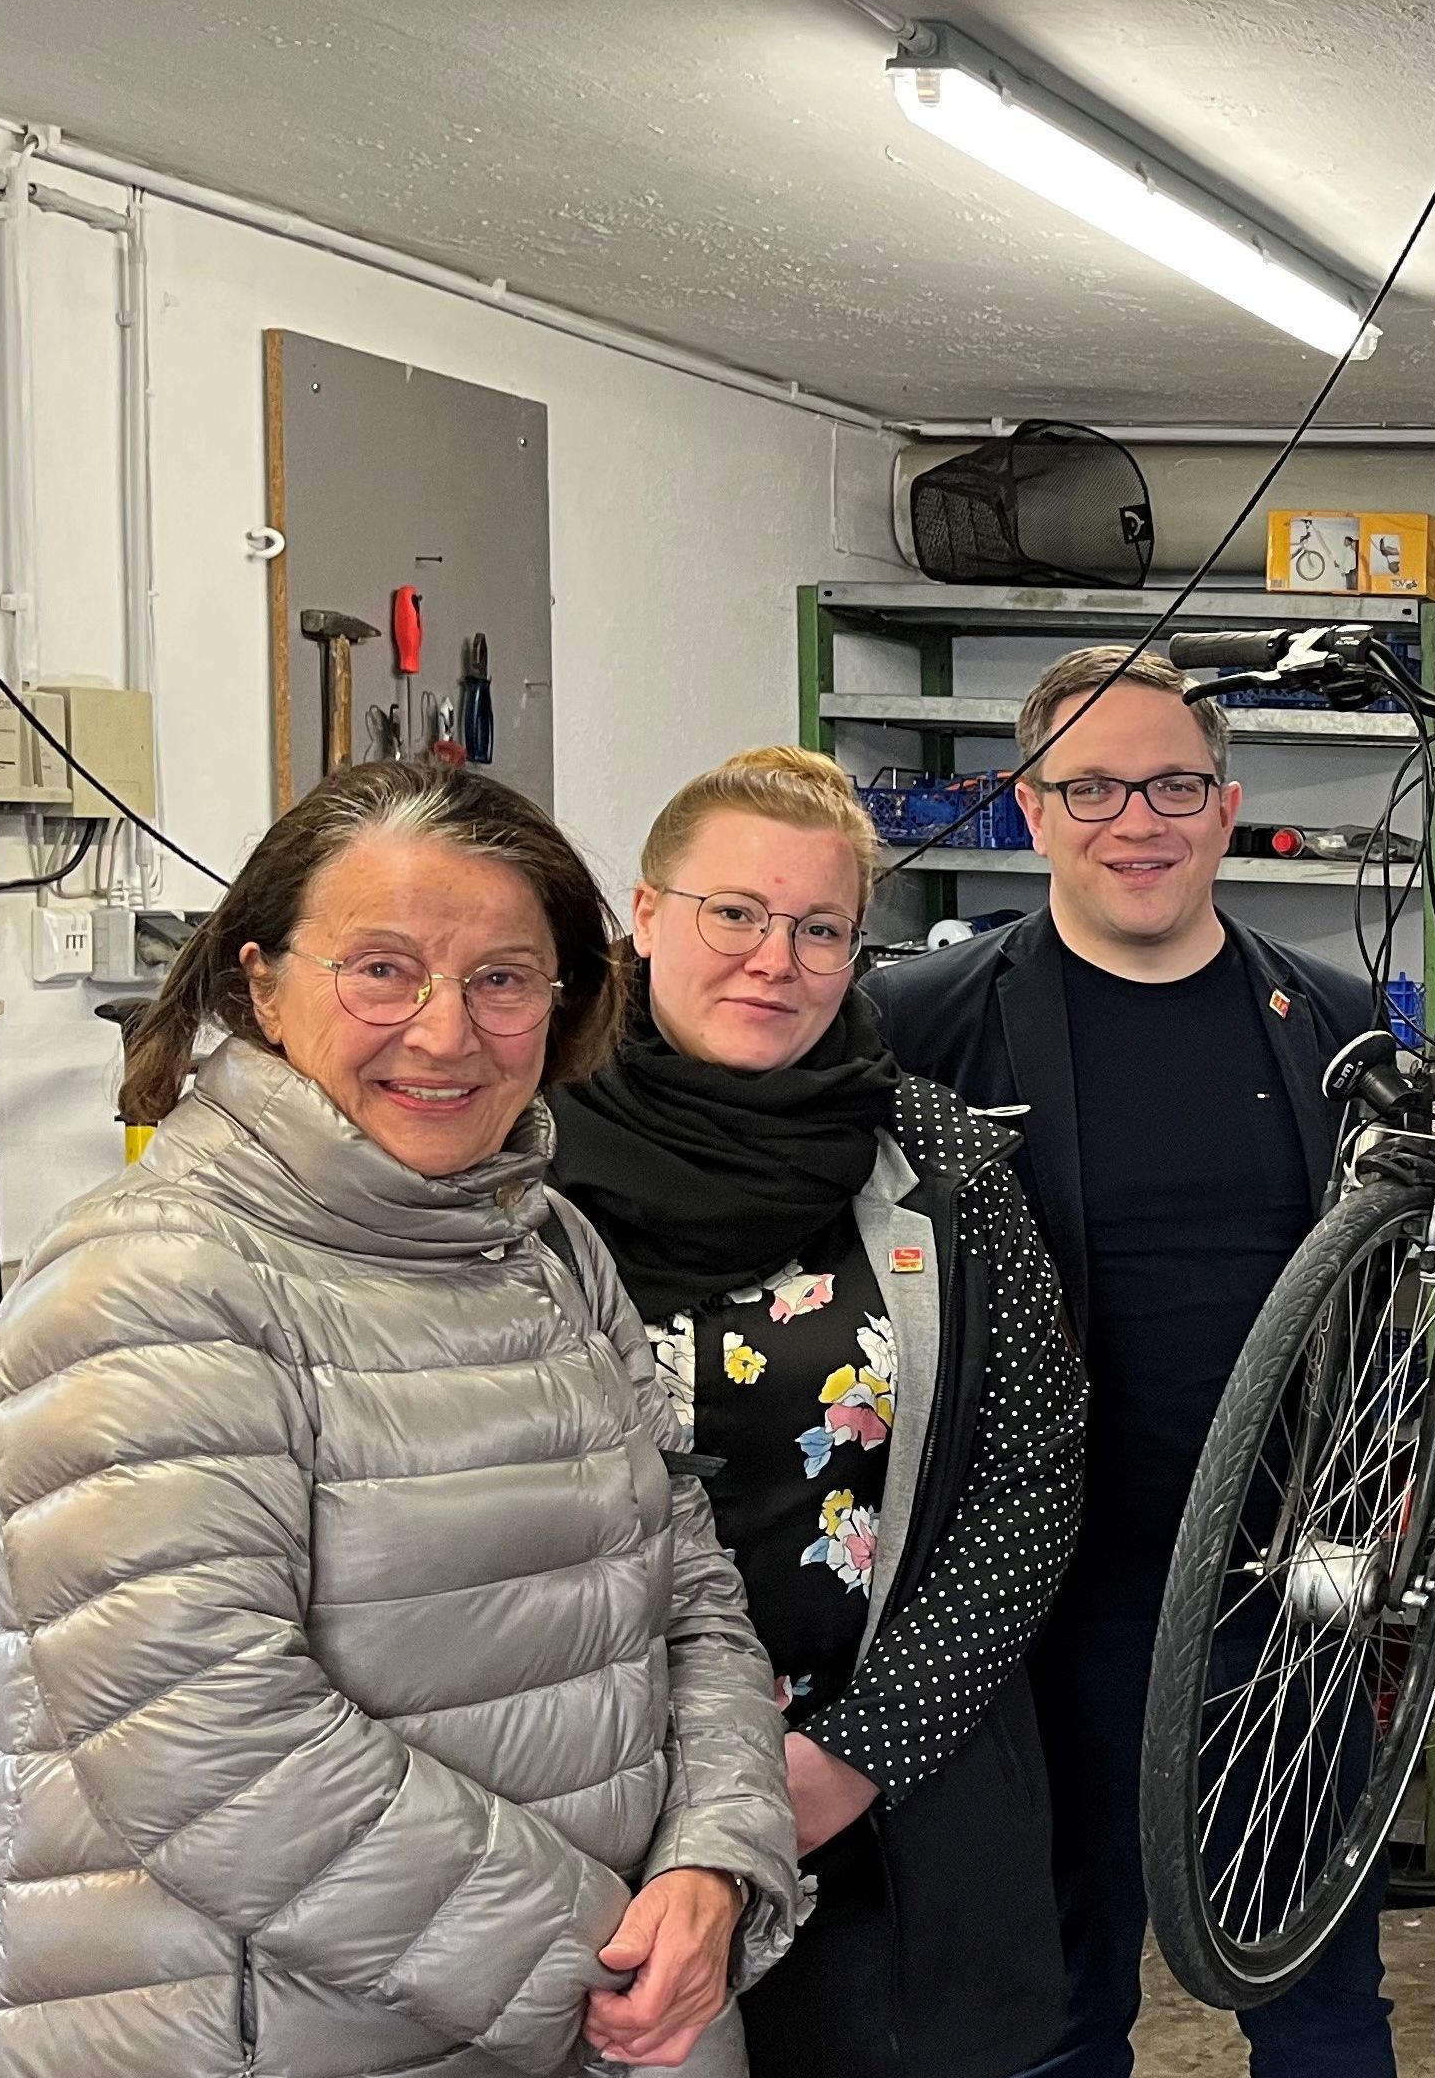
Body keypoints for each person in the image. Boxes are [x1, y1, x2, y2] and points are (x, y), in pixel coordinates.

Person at [0, 760, 797, 2078]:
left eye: (502, 979)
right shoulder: (156, 1280)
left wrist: (714, 1861)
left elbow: (684, 1587)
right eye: (381, 969)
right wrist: (617, 1979)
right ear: (261, 980)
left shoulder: (541, 1244)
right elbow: (209, 1747)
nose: (443, 1030)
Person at [872, 648, 1384, 2077]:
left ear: (1224, 808)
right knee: (1054, 2003)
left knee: (1319, 1989)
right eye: (1090, 786)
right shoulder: (926, 1027)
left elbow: (1399, 1291)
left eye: (1170, 783)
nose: (1134, 819)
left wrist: (1391, 1469)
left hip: (1277, 1605)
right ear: (1030, 810)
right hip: (1034, 1611)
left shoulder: (1335, 1026)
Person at [551, 746, 1089, 2078]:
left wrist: (856, 1754)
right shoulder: (518, 1157)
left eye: (818, 929)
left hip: (865, 1801)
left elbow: (1034, 1474)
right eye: (734, 912)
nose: (771, 958)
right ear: (647, 913)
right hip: (578, 1796)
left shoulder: (938, 1157)